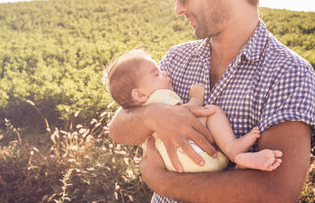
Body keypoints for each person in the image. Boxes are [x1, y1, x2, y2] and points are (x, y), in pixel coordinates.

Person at [109, 0, 315, 202]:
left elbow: (275, 192)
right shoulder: (176, 58)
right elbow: (118, 129)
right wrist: (152, 116)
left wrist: (163, 182)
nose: (178, 9)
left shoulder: (289, 73)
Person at [105, 49, 283, 173]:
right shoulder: (160, 97)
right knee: (211, 111)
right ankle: (233, 150)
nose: (165, 74)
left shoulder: (139, 108)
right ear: (139, 94)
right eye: (157, 74)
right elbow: (185, 113)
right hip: (193, 156)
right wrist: (196, 97)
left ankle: (241, 165)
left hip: (175, 166)